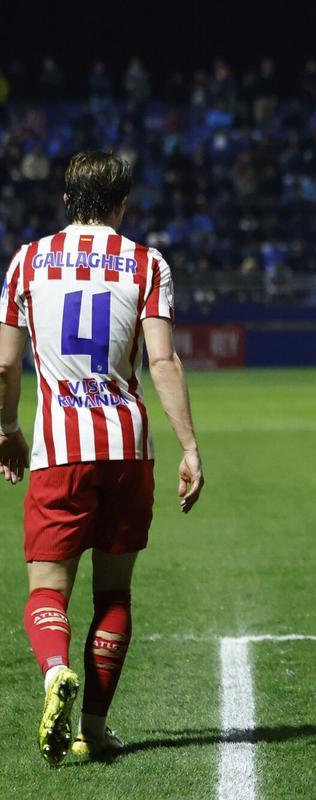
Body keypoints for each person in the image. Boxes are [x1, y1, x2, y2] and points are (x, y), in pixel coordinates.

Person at [0, 150, 204, 764]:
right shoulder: (146, 262)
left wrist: (8, 427)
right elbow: (162, 360)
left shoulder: (27, 261)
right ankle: (93, 723)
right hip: (125, 448)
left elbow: (5, 364)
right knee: (114, 595)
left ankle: (54, 669)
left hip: (59, 448)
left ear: (67, 200)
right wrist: (190, 446)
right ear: (122, 203)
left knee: (48, 588)